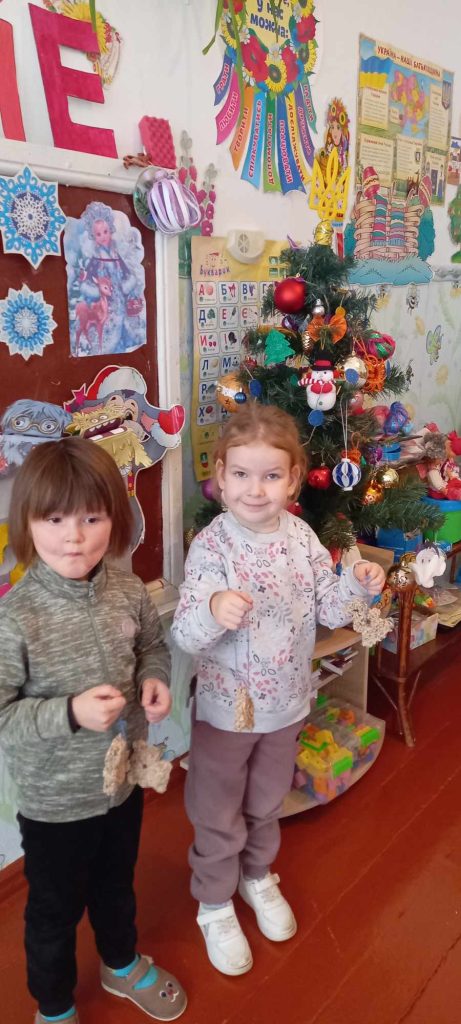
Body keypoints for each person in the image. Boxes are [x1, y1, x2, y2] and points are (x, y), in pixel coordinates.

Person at [171, 404, 385, 977]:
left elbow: (329, 610)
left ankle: (256, 874)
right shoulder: (213, 546)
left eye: (270, 476)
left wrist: (356, 583)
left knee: (267, 801)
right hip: (228, 711)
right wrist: (214, 608)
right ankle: (214, 903)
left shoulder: (302, 537)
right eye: (241, 474)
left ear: (293, 480)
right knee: (217, 809)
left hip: (287, 704)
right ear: (220, 476)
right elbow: (186, 633)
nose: (255, 489)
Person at [0, 438, 187, 1024]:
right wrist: (70, 713)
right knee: (53, 911)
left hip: (121, 784)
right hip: (55, 804)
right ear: (27, 523)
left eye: (91, 518)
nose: (74, 537)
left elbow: (152, 646)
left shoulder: (127, 590)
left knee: (116, 883)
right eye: (54, 520)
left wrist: (155, 678)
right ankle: (54, 1007)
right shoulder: (16, 616)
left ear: (116, 518)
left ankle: (120, 962)